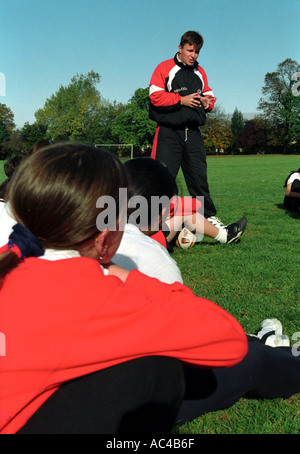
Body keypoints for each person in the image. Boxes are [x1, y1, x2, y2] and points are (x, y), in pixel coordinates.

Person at [0, 142, 248, 434]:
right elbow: (229, 340)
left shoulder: (11, 259)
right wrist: (122, 274)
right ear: (105, 237)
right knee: (156, 370)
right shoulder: (91, 294)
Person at [149, 30, 222, 226]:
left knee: (199, 179)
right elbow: (155, 96)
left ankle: (208, 217)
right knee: (163, 180)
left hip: (193, 133)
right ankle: (154, 222)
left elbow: (210, 96)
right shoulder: (164, 68)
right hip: (168, 133)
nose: (193, 55)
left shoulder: (200, 71)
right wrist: (181, 100)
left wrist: (208, 102)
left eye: (197, 52)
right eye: (190, 50)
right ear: (180, 48)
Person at [123, 158, 247, 251]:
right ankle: (225, 235)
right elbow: (196, 205)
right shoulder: (166, 199)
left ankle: (182, 233)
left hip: (126, 238)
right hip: (151, 241)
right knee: (186, 215)